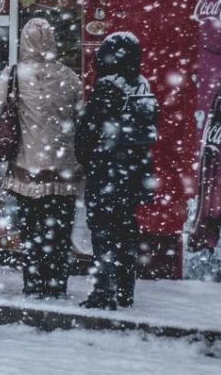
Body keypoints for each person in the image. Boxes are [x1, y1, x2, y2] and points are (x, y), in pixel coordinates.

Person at [0, 18, 84, 299]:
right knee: (59, 231)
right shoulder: (69, 76)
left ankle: (34, 283)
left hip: (28, 168)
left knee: (32, 232)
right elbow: (80, 113)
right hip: (64, 168)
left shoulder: (14, 73)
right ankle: (56, 284)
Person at [77, 32, 156, 310]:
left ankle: (104, 291)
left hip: (107, 172)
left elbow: (85, 136)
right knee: (126, 230)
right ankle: (125, 290)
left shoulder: (107, 87)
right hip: (134, 173)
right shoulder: (142, 86)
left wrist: (88, 160)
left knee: (102, 232)